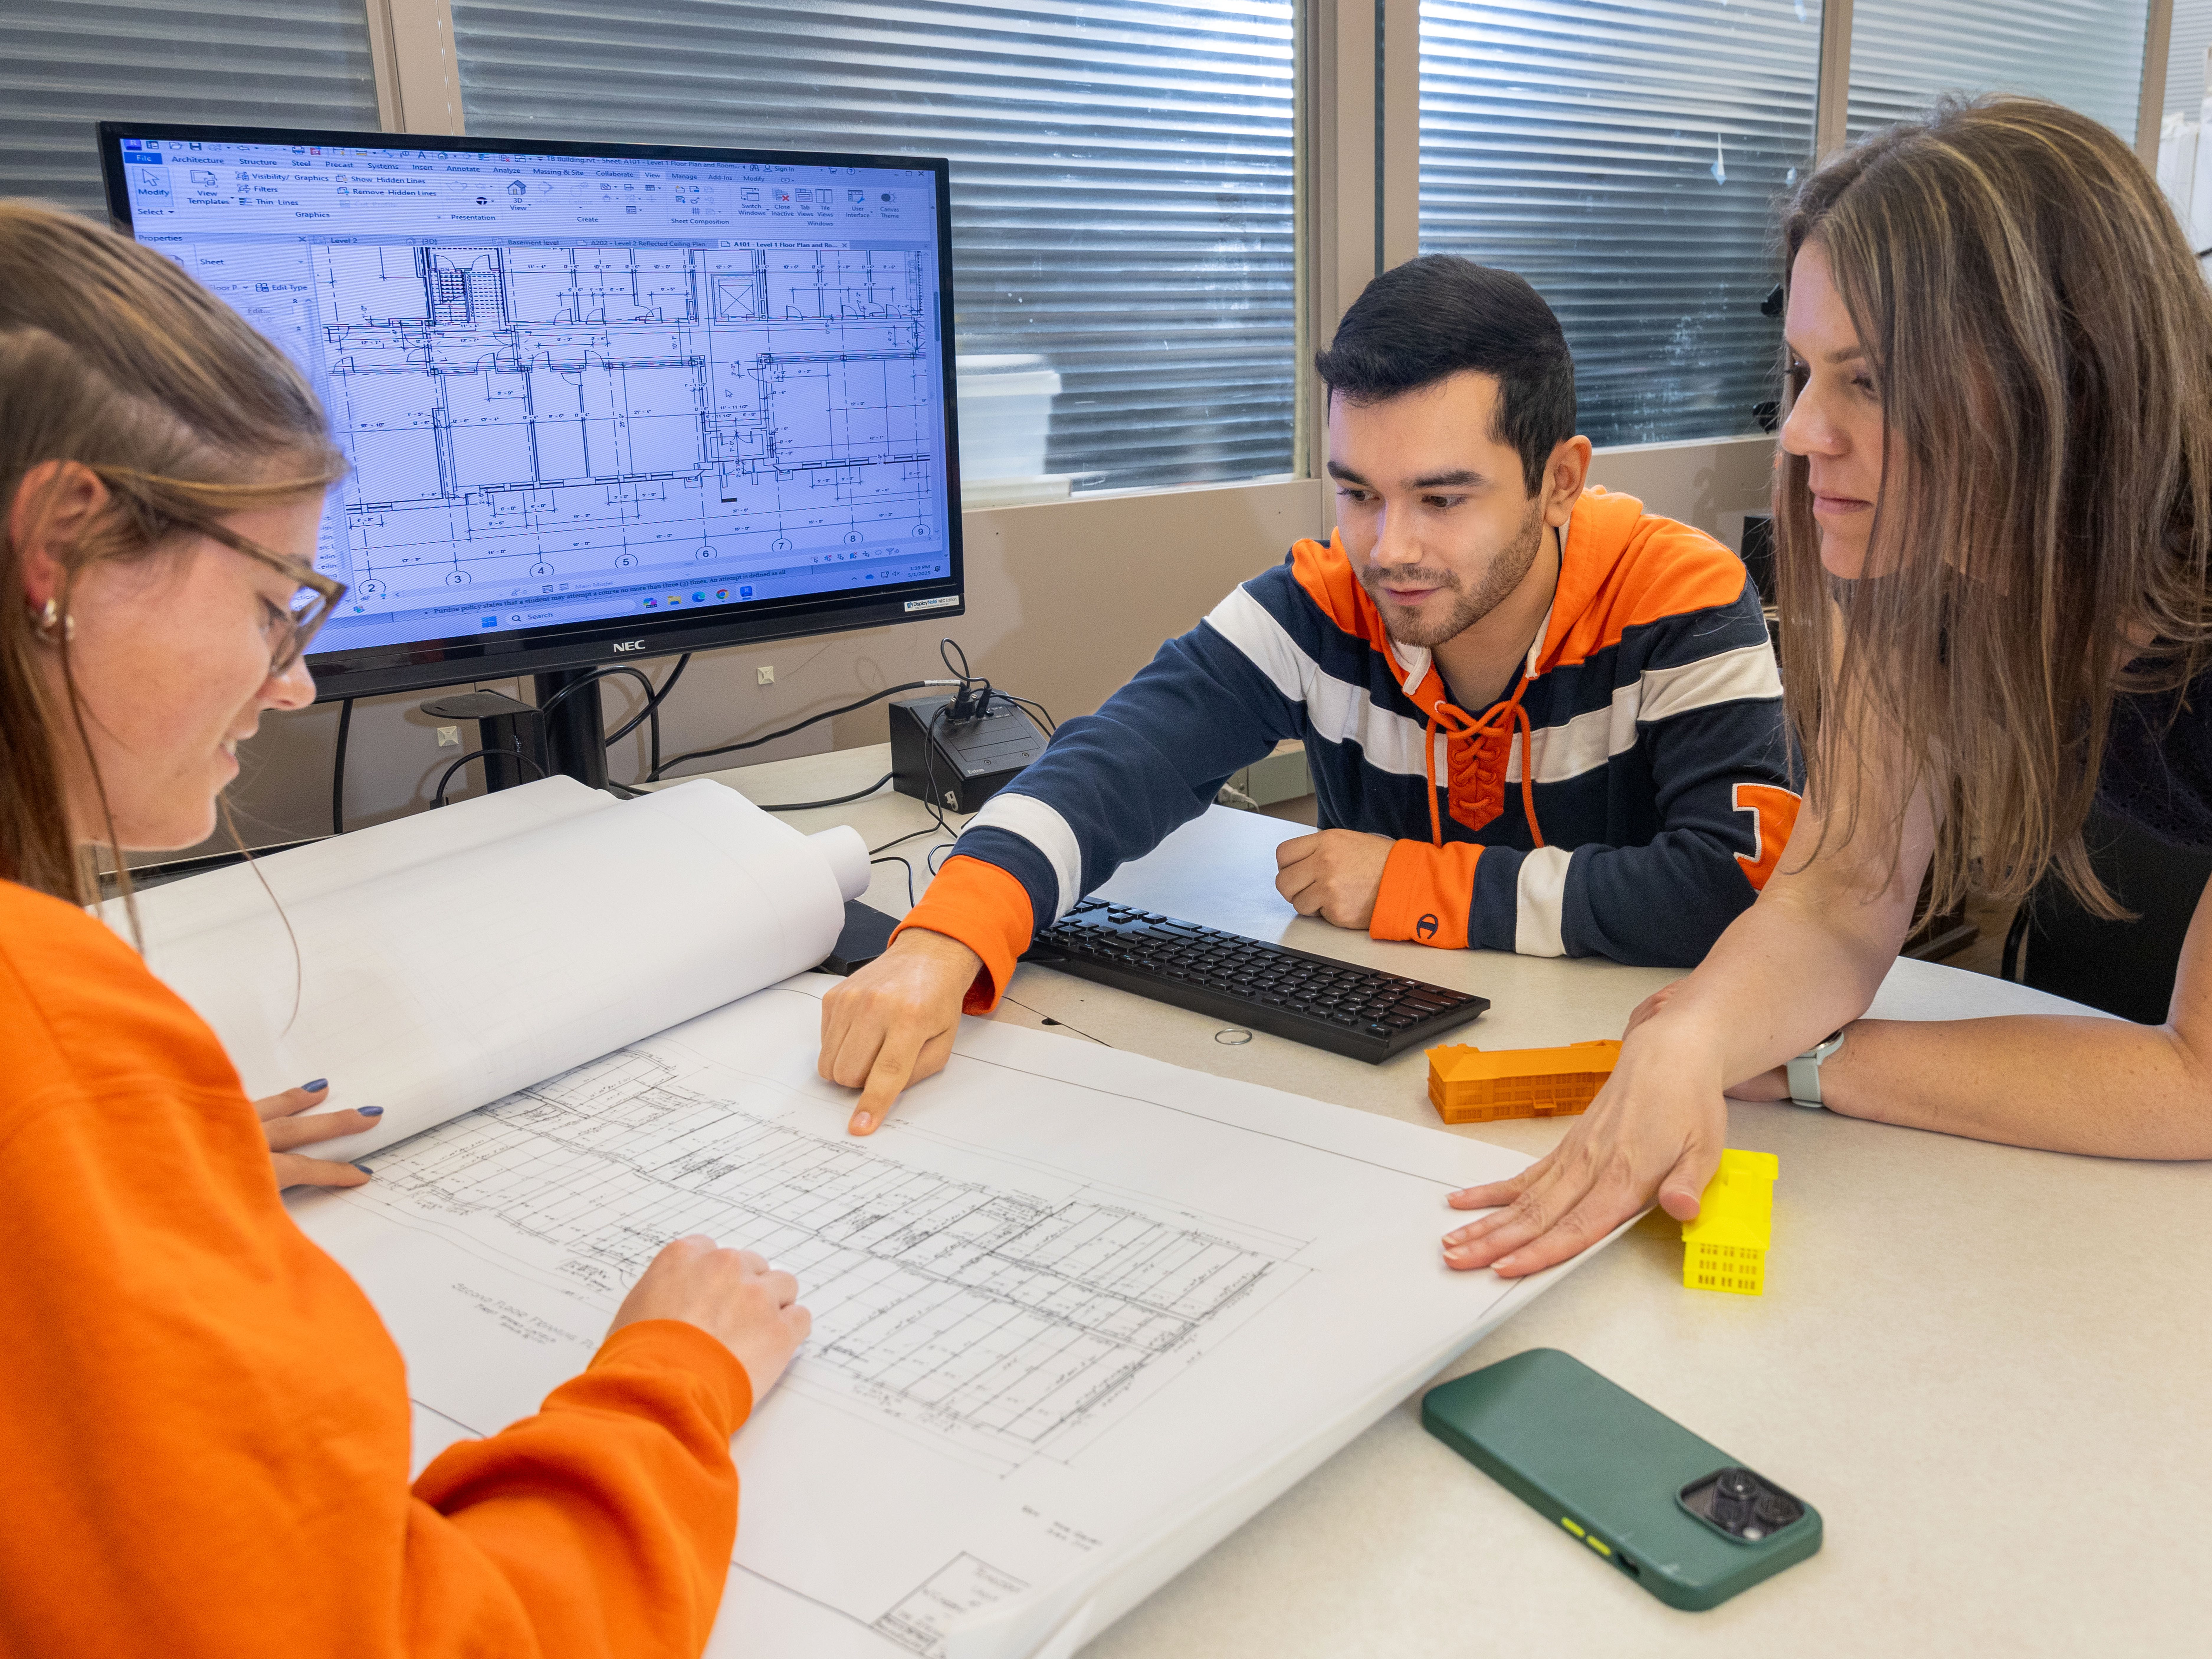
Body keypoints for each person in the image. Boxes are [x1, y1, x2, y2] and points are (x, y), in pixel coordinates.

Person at [0, 200, 808, 1657]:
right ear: (58, 545)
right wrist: (668, 1383)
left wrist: (116, 1190)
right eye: (272, 605)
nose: (293, 684)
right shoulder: (40, 1038)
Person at [1443, 95, 2212, 1280]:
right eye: (1804, 370)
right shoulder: (1912, 558)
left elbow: (2198, 1084)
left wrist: (1806, 1063)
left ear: (2069, 382)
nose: (1802, 433)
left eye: (1870, 380)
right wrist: (1696, 1037)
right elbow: (1839, 897)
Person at [822, 255, 1800, 1132]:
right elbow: (1114, 763)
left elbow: (1730, 890)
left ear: (1558, 482)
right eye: (1358, 493)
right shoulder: (1323, 599)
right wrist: (942, 941)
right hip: (1388, 1101)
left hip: (1635, 1089)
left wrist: (1411, 884)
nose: (1389, 549)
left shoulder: (1682, 596)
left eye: (1442, 499)